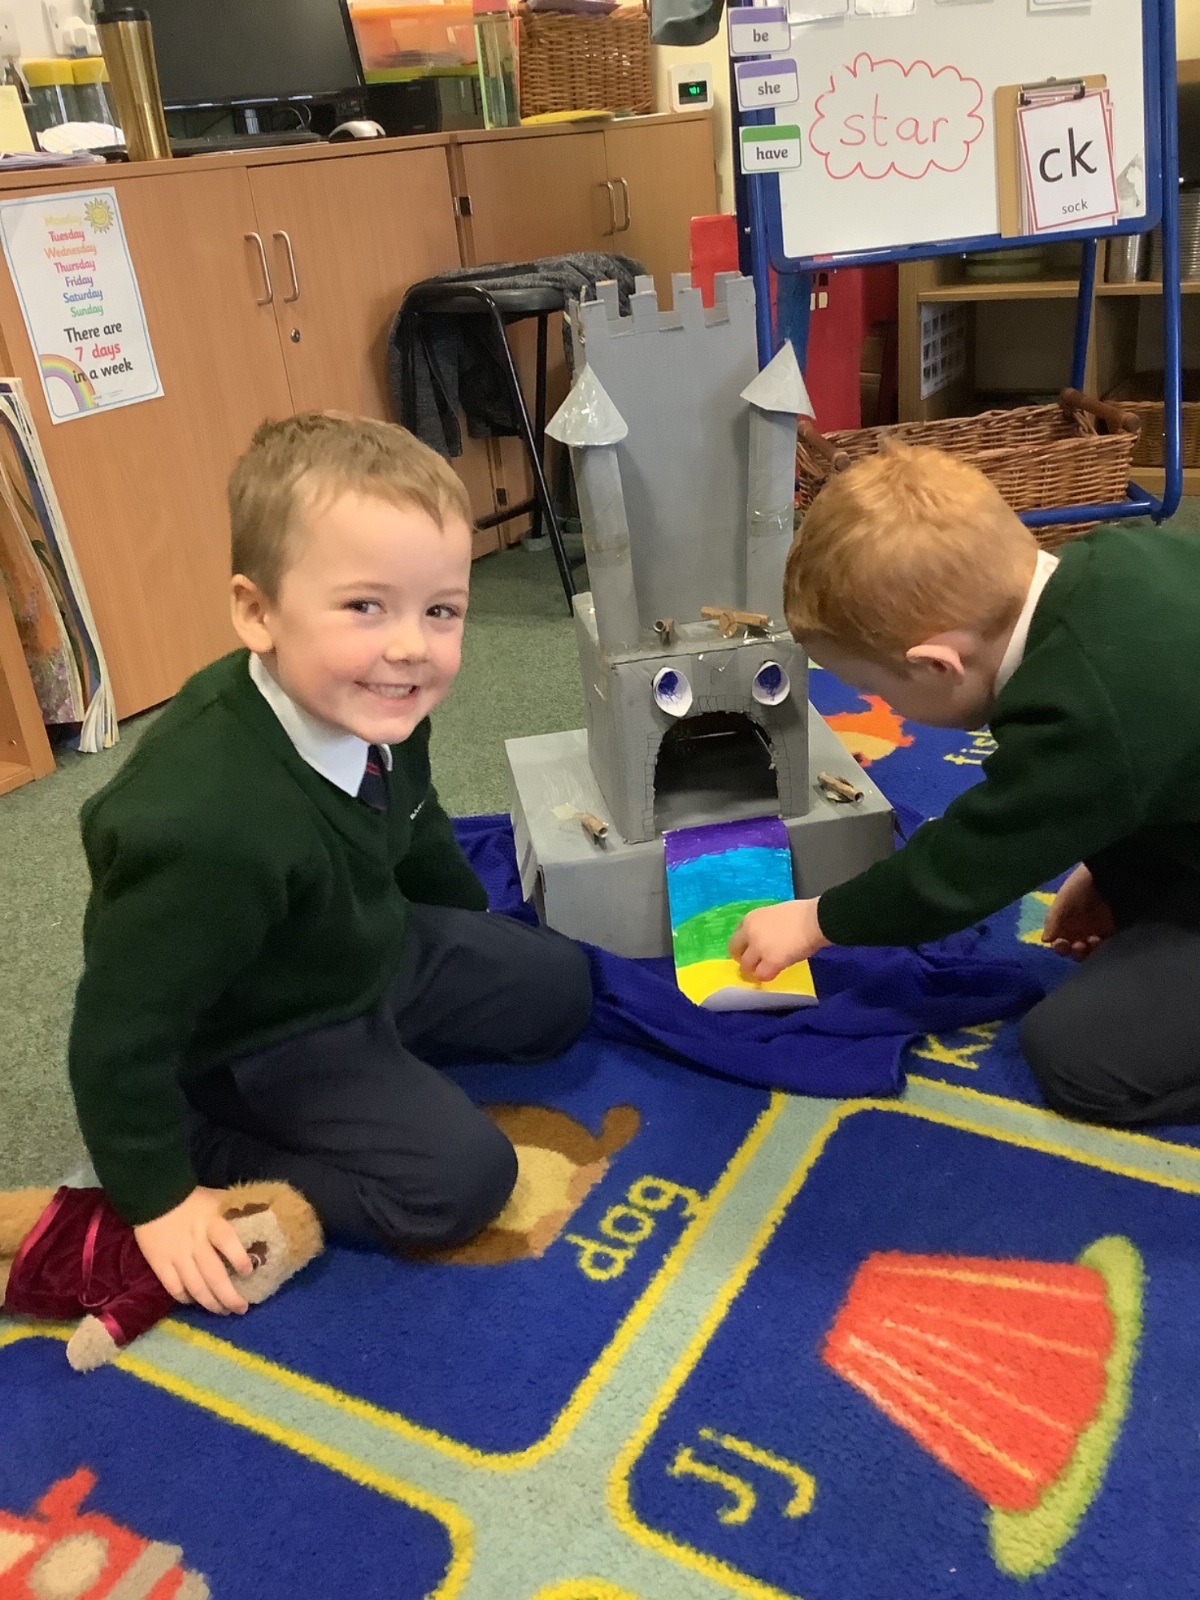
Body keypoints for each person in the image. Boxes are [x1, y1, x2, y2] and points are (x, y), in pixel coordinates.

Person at [69, 413, 592, 1317]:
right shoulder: (203, 826)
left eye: (440, 610)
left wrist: (467, 930)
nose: (411, 646)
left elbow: (418, 825)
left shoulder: (375, 699)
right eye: (365, 606)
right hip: (259, 1037)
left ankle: (391, 1061)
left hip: (356, 953)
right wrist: (157, 1196)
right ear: (257, 613)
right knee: (461, 1182)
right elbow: (117, 1036)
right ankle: (207, 1142)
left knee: (559, 985)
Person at [731, 444, 1200, 1129]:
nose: (877, 705)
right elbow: (1149, 753)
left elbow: (960, 871)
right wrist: (1109, 861)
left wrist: (814, 922)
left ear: (937, 665)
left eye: (873, 689)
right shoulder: (1115, 554)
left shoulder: (1082, 712)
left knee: (1077, 1057)